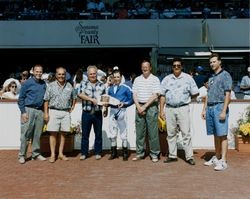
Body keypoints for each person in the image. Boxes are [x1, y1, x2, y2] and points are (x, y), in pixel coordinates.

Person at [159, 57, 199, 166]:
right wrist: (161, 110)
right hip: (170, 108)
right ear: (172, 67)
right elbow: (162, 95)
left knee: (186, 133)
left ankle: (189, 156)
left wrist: (188, 99)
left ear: (182, 66)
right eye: (174, 66)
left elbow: (195, 92)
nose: (176, 67)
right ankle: (172, 155)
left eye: (178, 65)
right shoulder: (166, 79)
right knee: (171, 133)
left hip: (183, 108)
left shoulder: (188, 78)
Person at [201, 53, 232, 171]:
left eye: (214, 61)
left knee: (222, 134)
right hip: (210, 107)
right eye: (210, 62)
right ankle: (217, 156)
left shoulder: (225, 75)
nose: (212, 64)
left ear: (220, 62)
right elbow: (208, 94)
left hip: (219, 107)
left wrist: (224, 110)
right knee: (215, 134)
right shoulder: (211, 77)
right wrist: (204, 109)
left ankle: (223, 160)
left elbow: (227, 94)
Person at [44, 67, 77, 163]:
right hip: (53, 111)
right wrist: (46, 113)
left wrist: (72, 107)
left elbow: (74, 97)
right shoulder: (50, 85)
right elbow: (46, 100)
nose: (61, 76)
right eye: (59, 74)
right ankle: (53, 154)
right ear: (56, 74)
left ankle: (61, 154)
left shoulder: (69, 85)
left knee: (63, 134)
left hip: (65, 112)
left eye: (63, 74)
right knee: (53, 133)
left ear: (65, 75)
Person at [132, 59, 161, 163]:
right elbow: (134, 94)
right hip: (139, 105)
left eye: (146, 67)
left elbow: (156, 94)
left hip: (151, 106)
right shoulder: (137, 80)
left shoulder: (155, 79)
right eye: (143, 67)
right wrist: (138, 106)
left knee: (153, 132)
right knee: (139, 132)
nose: (145, 68)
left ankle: (154, 154)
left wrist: (144, 107)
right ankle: (139, 153)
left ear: (150, 68)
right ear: (141, 68)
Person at [17, 64, 47, 164]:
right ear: (33, 72)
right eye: (37, 71)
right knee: (25, 134)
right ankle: (22, 155)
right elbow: (21, 99)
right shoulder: (27, 83)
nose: (39, 73)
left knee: (37, 134)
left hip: (40, 111)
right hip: (28, 110)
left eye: (40, 72)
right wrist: (23, 112)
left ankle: (36, 154)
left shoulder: (43, 84)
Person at [78, 65, 107, 160]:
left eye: (94, 73)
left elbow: (105, 99)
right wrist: (91, 99)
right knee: (85, 134)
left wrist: (105, 108)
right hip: (87, 112)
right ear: (88, 74)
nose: (92, 75)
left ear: (96, 74)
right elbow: (80, 94)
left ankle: (98, 152)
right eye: (90, 74)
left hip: (98, 113)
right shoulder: (83, 83)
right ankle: (84, 153)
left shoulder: (102, 85)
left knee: (98, 134)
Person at [107, 69, 133, 161]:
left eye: (118, 77)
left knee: (123, 132)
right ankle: (113, 152)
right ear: (112, 78)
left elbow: (132, 99)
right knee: (112, 132)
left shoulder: (126, 88)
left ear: (121, 77)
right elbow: (107, 101)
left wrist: (125, 103)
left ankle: (125, 153)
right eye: (115, 77)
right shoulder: (109, 89)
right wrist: (105, 107)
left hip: (122, 111)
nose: (116, 79)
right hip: (112, 112)